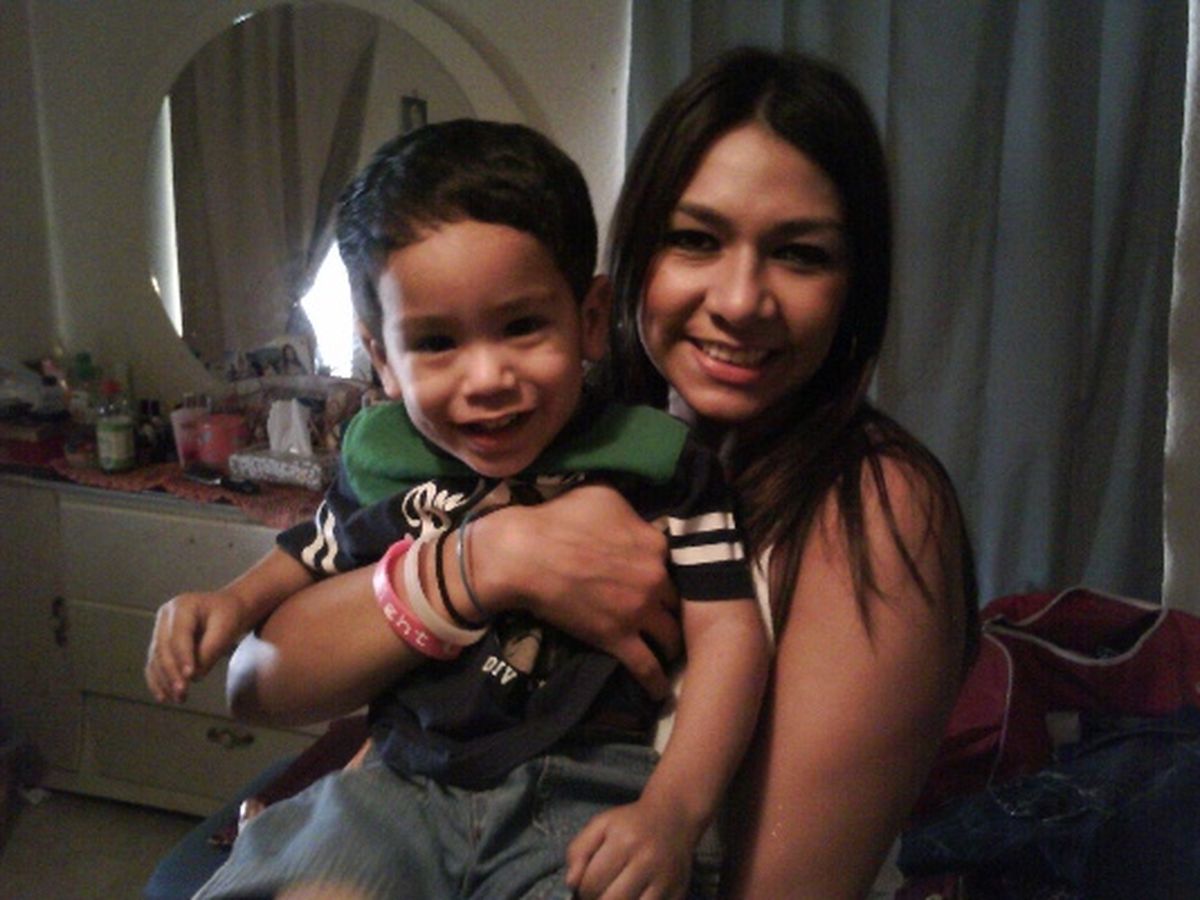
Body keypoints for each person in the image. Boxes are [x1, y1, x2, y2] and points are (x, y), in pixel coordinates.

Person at [149, 47, 978, 898]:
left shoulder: (873, 507)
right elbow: (258, 685)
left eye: (800, 254)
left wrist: (668, 814)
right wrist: (488, 562)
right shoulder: (560, 425)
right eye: (696, 240)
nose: (739, 300)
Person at [177, 119, 768, 899]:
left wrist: (675, 811)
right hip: (396, 786)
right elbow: (308, 554)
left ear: (590, 318)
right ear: (382, 358)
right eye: (435, 343)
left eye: (522, 327)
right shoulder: (384, 460)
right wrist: (231, 600)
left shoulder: (655, 461)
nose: (486, 378)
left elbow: (730, 634)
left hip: (588, 792)